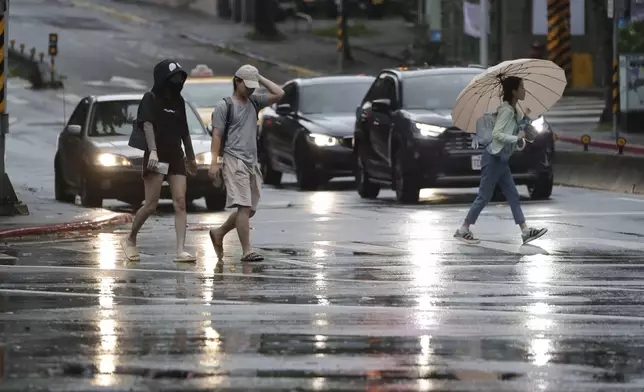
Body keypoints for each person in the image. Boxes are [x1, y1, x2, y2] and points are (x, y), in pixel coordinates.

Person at [454, 76, 548, 245]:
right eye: (522, 87)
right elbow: (497, 134)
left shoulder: (514, 111)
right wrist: (516, 136)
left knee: (513, 195)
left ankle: (525, 231)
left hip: (501, 160)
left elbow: (520, 135)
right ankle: (463, 228)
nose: (524, 91)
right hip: (493, 158)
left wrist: (524, 125)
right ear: (514, 91)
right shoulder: (506, 110)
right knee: (484, 196)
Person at [120, 59, 198, 262]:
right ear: (164, 79)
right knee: (151, 205)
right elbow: (147, 125)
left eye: (180, 78)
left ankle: (180, 250)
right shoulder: (151, 98)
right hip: (157, 157)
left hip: (175, 156)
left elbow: (185, 131)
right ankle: (130, 238)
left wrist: (190, 157)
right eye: (174, 78)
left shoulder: (179, 101)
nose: (177, 82)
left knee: (180, 203)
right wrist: (153, 151)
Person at [208, 65, 284, 262]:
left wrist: (259, 77)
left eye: (253, 86)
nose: (250, 89)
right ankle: (247, 250)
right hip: (234, 160)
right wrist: (214, 163)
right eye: (247, 85)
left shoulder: (255, 101)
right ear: (237, 81)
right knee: (243, 206)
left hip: (252, 162)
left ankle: (219, 232)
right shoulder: (225, 106)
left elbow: (279, 93)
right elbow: (217, 136)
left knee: (249, 210)